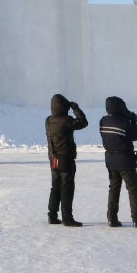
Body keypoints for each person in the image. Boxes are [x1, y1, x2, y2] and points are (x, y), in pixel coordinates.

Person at [100, 96, 137, 228]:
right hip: (125, 160)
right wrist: (133, 121)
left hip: (110, 160)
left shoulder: (103, 121)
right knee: (133, 191)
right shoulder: (124, 122)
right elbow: (135, 135)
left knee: (113, 190)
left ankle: (112, 218)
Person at [45, 93, 88, 227]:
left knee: (55, 187)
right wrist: (75, 108)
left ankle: (52, 215)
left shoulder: (48, 120)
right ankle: (67, 217)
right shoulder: (66, 120)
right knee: (67, 188)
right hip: (65, 158)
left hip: (53, 158)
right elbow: (83, 122)